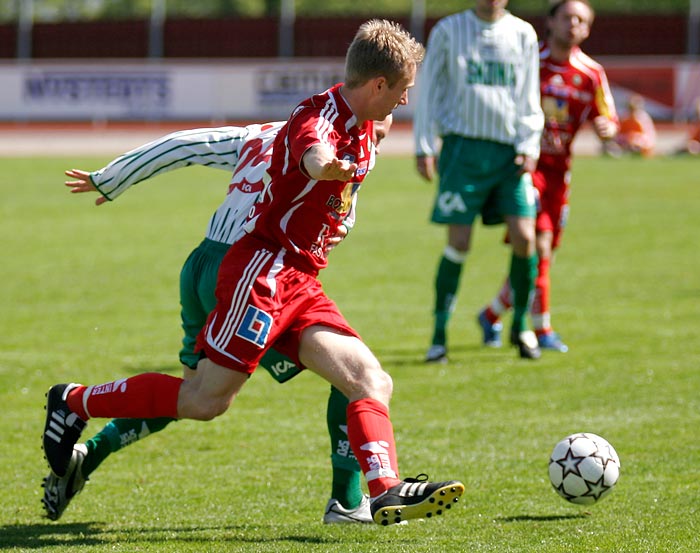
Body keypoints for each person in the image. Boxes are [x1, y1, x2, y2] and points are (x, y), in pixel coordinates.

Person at [42, 19, 465, 527]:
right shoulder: (314, 120)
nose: (405, 102)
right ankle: (74, 400)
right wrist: (327, 167)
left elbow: (343, 179)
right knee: (204, 401)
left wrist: (341, 210)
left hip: (300, 279)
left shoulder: (374, 122)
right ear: (378, 85)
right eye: (403, 91)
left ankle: (384, 491)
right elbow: (312, 154)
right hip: (259, 274)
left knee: (369, 379)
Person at [41, 116, 392, 523]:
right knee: (350, 372)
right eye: (376, 135)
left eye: (382, 138)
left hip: (202, 266)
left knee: (193, 393)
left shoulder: (266, 132)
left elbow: (182, 144)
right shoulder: (330, 149)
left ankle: (86, 453)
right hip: (251, 276)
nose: (375, 146)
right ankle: (348, 502)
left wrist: (111, 178)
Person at [477, 0, 619, 353]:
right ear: (551, 22)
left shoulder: (590, 73)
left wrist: (606, 128)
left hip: (559, 176)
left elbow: (609, 119)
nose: (573, 24)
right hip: (525, 167)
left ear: (587, 29)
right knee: (538, 248)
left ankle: (492, 314)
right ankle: (540, 330)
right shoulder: (529, 61)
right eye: (566, 17)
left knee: (542, 257)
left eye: (581, 20)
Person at [413, 0, 545, 363]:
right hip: (461, 151)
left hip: (508, 153)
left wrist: (529, 143)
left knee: (525, 236)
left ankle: (521, 325)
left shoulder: (523, 33)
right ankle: (439, 335)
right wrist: (424, 146)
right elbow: (431, 91)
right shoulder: (447, 31)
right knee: (459, 241)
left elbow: (529, 95)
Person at [613, 93, 656, 158]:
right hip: (627, 142)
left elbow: (648, 137)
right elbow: (619, 134)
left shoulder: (643, 118)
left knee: (636, 141)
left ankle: (636, 151)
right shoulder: (625, 117)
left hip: (641, 143)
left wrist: (634, 139)